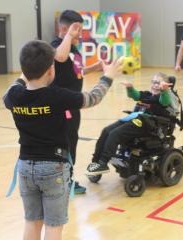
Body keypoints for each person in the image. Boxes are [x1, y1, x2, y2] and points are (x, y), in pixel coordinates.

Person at [3, 40, 122, 240]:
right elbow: (93, 98)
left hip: (25, 167)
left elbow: (16, 85)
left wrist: (27, 72)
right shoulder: (57, 96)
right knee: (53, 226)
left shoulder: (14, 96)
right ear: (51, 70)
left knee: (32, 222)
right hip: (53, 169)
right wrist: (108, 77)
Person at [51, 10, 102, 193]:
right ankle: (64, 181)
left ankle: (67, 178)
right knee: (64, 144)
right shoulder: (56, 45)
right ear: (64, 28)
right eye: (76, 29)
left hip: (73, 106)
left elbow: (76, 71)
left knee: (71, 143)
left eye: (81, 30)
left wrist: (93, 68)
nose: (80, 34)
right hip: (61, 108)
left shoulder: (74, 49)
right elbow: (60, 57)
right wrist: (69, 36)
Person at [86, 73, 177, 175]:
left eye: (159, 83)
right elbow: (135, 95)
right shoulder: (148, 95)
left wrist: (164, 90)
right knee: (106, 130)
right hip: (139, 119)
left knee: (115, 134)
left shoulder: (164, 97)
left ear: (164, 85)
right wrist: (130, 88)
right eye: (154, 82)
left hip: (150, 125)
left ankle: (103, 162)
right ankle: (96, 162)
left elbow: (164, 101)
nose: (155, 85)